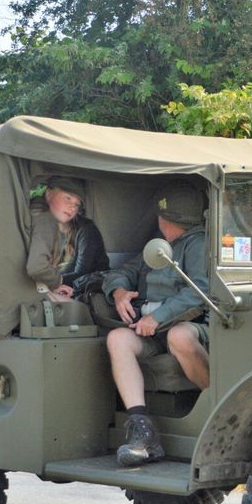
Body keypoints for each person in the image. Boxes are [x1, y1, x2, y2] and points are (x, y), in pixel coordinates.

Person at [102, 180, 209, 467]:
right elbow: (126, 270)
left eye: (164, 218)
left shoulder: (197, 244)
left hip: (192, 325)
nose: (160, 222)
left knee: (180, 337)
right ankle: (141, 427)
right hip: (149, 330)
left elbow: (200, 290)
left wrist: (158, 317)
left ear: (171, 220)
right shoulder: (159, 246)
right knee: (117, 340)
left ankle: (215, 403)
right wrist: (119, 292)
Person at [26, 176, 109, 301]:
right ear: (48, 194)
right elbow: (37, 267)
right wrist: (55, 281)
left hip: (90, 286)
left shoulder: (86, 230)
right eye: (68, 198)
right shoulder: (43, 219)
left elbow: (82, 271)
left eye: (77, 204)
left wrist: (56, 281)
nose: (72, 207)